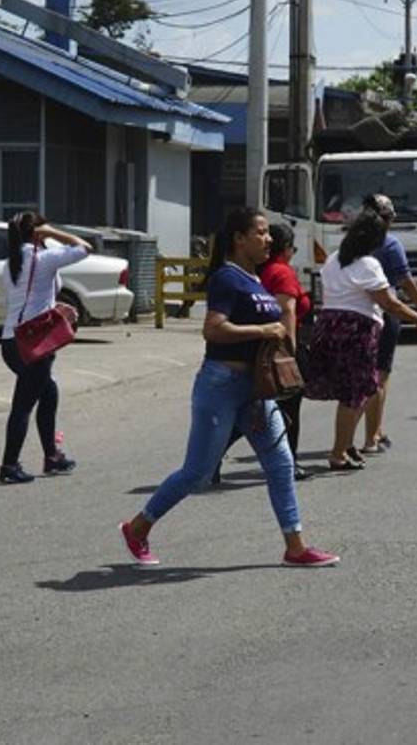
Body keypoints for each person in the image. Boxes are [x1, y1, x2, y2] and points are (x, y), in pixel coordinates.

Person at [119, 208, 339, 568]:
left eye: (268, 234)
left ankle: (296, 547)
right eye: (261, 232)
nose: (268, 240)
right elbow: (213, 329)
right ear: (239, 238)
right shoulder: (226, 278)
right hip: (221, 384)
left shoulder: (254, 279)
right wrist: (263, 331)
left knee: (281, 464)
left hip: (254, 389)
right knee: (198, 472)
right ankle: (138, 527)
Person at [305, 211, 417, 471]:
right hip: (355, 331)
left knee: (361, 389)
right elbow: (389, 303)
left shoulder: (332, 260)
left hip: (328, 327)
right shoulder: (368, 265)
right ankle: (338, 452)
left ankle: (347, 444)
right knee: (354, 393)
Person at [212, 222, 314, 484]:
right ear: (287, 248)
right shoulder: (282, 272)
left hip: (256, 351)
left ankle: (213, 459)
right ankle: (287, 464)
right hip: (276, 351)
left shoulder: (258, 272)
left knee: (257, 409)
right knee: (285, 408)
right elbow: (287, 313)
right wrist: (289, 354)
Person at [0, 212, 92, 484]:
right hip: (33, 344)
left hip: (10, 341)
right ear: (37, 233)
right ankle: (9, 465)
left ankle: (52, 456)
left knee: (48, 393)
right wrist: (53, 233)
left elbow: (27, 301)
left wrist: (56, 307)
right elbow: (84, 248)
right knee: (23, 406)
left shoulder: (11, 263)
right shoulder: (43, 258)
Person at [358, 194, 417, 455]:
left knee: (366, 377)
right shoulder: (390, 245)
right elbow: (407, 285)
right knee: (379, 378)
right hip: (384, 314)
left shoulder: (352, 245)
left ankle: (376, 429)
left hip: (356, 317)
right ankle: (371, 438)